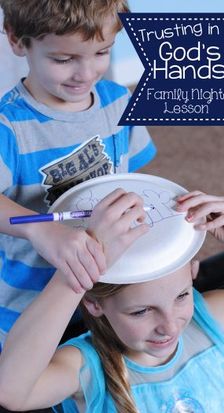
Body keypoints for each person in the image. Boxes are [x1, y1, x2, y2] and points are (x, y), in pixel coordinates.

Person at [0, 0, 156, 350]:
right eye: (63, 59)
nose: (85, 74)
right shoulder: (8, 126)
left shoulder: (118, 101)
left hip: (109, 294)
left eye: (102, 52)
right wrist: (41, 229)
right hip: (31, 306)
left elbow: (137, 187)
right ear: (15, 39)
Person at [0, 189, 224, 413]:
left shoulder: (210, 319)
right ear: (93, 303)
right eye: (141, 311)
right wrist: (76, 273)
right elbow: (12, 392)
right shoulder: (88, 368)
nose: (170, 327)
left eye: (182, 296)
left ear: (192, 271)